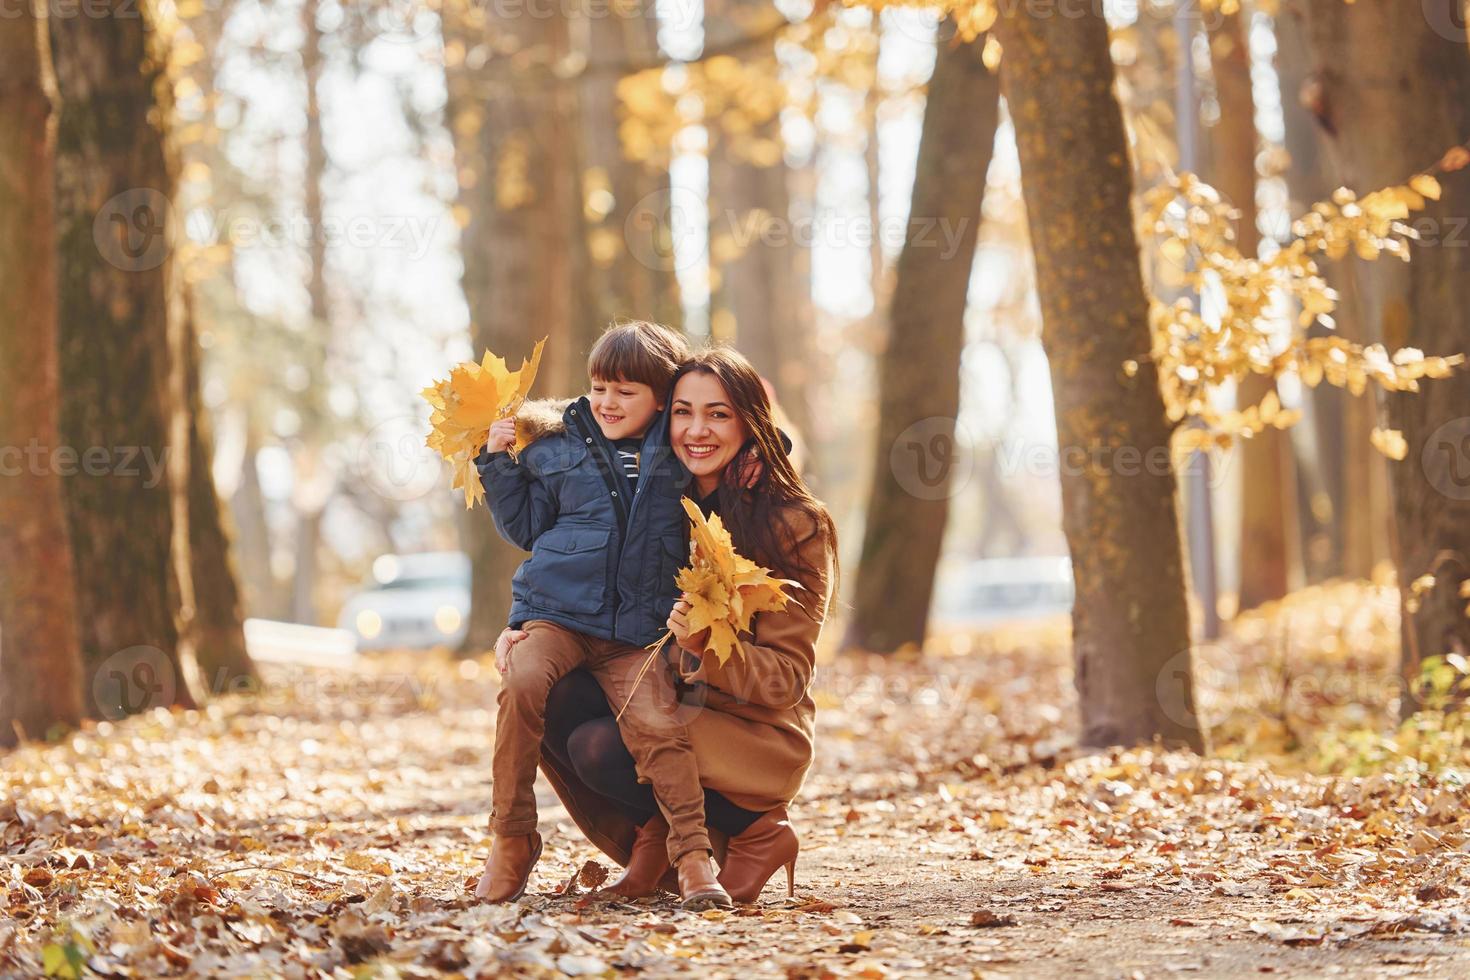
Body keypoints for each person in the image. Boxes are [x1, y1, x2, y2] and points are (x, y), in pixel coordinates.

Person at [502, 345, 838, 904]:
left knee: (600, 747)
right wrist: (523, 627)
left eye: (718, 414)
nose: (696, 430)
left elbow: (786, 681)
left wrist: (705, 645)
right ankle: (656, 839)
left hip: (749, 733)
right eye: (683, 411)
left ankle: (757, 832)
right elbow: (571, 572)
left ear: (750, 422)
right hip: (663, 705)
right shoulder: (654, 499)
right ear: (662, 417)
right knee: (546, 689)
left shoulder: (793, 524)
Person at [471, 321, 730, 909]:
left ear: (661, 399)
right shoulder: (556, 446)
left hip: (636, 634)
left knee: (660, 727)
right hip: (556, 614)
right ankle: (511, 838)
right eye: (599, 387)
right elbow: (526, 527)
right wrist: (496, 465)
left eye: (627, 391)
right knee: (522, 684)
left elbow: (741, 459)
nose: (608, 402)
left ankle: (692, 857)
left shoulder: (678, 459)